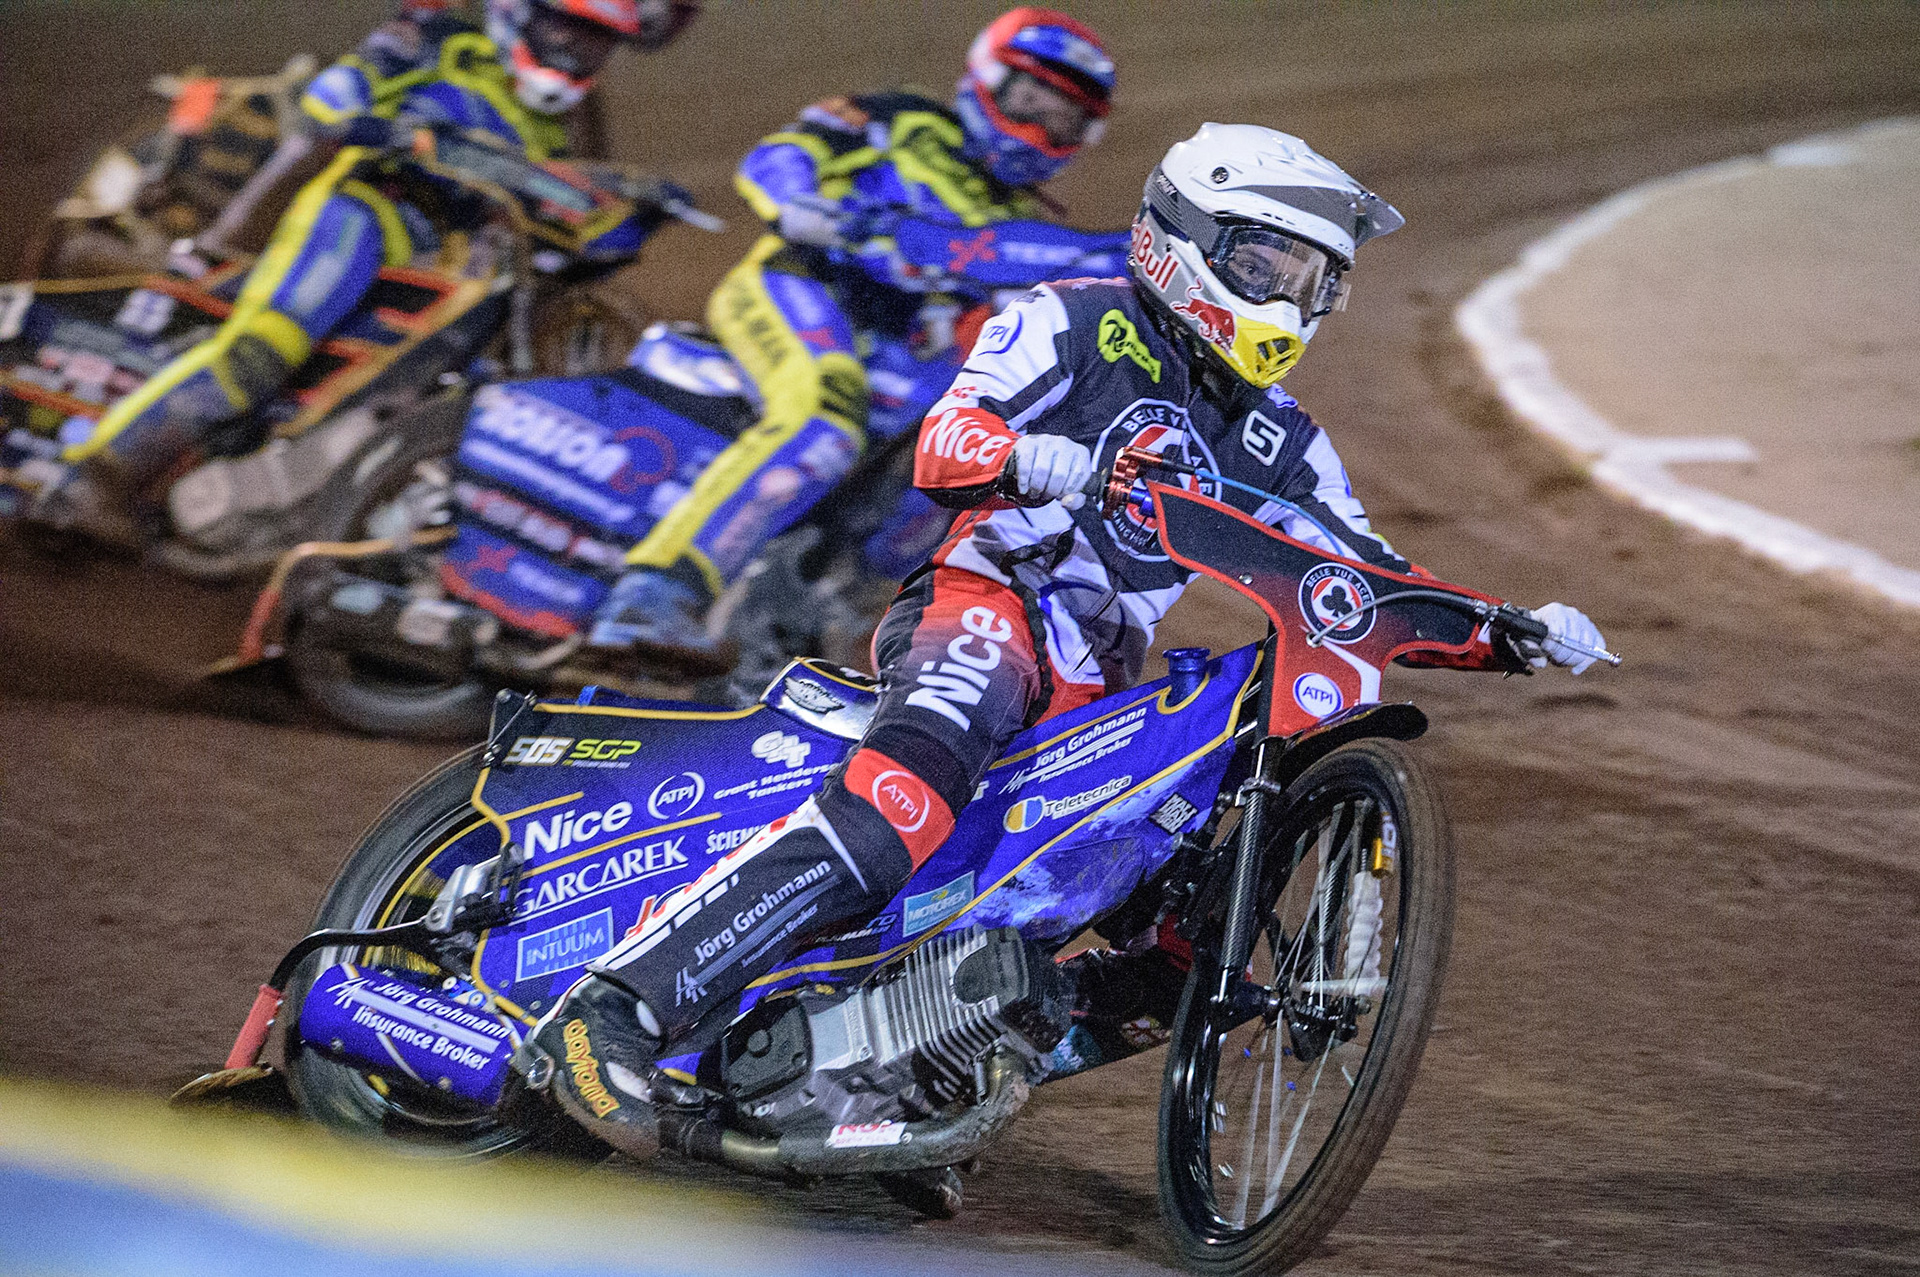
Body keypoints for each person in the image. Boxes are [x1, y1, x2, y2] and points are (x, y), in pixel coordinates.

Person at [518, 123, 1608, 1150]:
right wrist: (1022, 458)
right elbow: (945, 437)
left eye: (1315, 280)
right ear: (1187, 239)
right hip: (986, 604)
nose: (1290, 300)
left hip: (1100, 690)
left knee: (1178, 946)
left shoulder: (1286, 439)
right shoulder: (1074, 318)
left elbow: (1362, 575)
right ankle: (614, 1009)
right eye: (1269, 265)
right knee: (908, 795)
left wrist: (1504, 630)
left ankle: (908, 1083)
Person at [586, 6, 1119, 668]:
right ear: (988, 77)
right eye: (1031, 99)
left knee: (960, 470)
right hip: (798, 287)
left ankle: (817, 620)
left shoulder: (1019, 228)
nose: (1040, 125)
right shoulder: (904, 119)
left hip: (890, 355)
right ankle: (653, 591)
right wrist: (804, 205)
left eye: (1063, 117)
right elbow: (783, 154)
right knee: (826, 421)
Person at [44, 0, 696, 521]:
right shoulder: (440, 39)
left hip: (449, 265)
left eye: (596, 41)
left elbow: (570, 216)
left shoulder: (560, 130)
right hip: (364, 215)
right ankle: (91, 476)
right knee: (264, 349)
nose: (576, 51)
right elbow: (332, 97)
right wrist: (384, 122)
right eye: (566, 29)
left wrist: (637, 207)